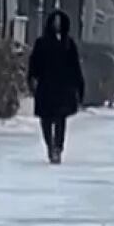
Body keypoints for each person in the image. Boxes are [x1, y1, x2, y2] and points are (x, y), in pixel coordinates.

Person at [27, 10, 85, 164]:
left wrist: (79, 86)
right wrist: (32, 79)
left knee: (60, 119)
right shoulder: (41, 43)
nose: (57, 25)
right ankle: (50, 145)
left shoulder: (68, 44)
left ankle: (58, 147)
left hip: (63, 87)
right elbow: (34, 64)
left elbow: (75, 66)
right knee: (46, 120)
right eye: (55, 22)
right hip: (46, 86)